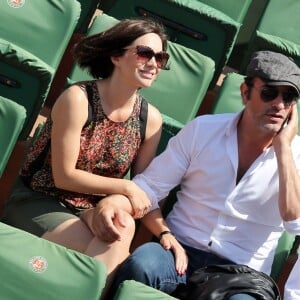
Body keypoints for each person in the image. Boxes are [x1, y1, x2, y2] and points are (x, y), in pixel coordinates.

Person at [100, 50, 300, 299]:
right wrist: (118, 203)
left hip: (242, 277)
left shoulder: (296, 156)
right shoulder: (203, 130)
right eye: (269, 93)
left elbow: (295, 223)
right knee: (142, 265)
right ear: (245, 93)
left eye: (289, 97)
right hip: (179, 250)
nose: (279, 105)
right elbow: (149, 187)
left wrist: (283, 150)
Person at [1, 18, 170, 292]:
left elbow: (145, 192)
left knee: (121, 224)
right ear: (116, 56)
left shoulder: (150, 119)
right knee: (110, 243)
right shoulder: (77, 98)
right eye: (144, 53)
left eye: (161, 57)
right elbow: (64, 176)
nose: (154, 63)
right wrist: (124, 186)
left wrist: (164, 232)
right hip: (41, 199)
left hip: (94, 210)